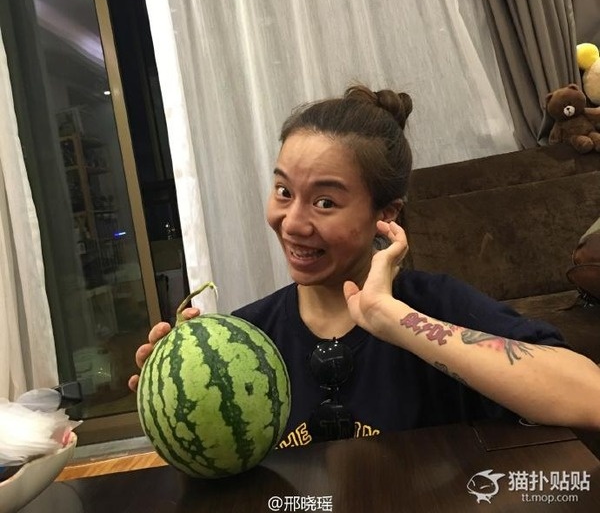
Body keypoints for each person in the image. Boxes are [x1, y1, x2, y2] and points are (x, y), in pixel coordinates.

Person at [129, 85, 600, 448]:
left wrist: (391, 318)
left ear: (386, 213)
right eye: (284, 192)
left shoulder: (433, 305)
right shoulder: (248, 338)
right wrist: (172, 405)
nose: (292, 223)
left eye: (325, 202)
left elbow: (589, 395)